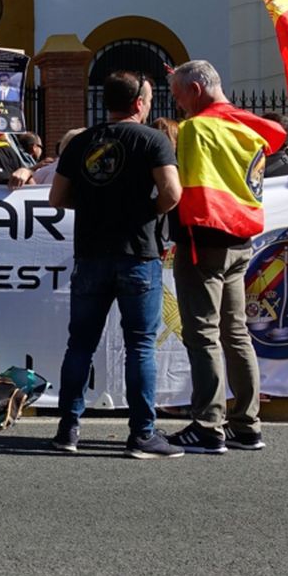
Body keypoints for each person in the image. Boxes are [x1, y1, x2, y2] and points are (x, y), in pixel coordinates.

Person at [48, 71, 183, 459]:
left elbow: (57, 198)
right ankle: (142, 435)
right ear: (139, 103)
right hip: (137, 253)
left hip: (90, 253)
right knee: (140, 345)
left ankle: (68, 429)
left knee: (80, 344)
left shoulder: (82, 141)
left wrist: (92, 207)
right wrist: (146, 211)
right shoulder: (152, 139)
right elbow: (172, 193)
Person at [166, 61, 285, 454]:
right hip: (241, 239)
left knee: (203, 333)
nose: (177, 103)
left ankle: (207, 424)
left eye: (179, 94)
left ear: (196, 90)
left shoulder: (197, 128)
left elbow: (185, 187)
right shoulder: (247, 126)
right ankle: (247, 424)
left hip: (205, 240)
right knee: (236, 333)